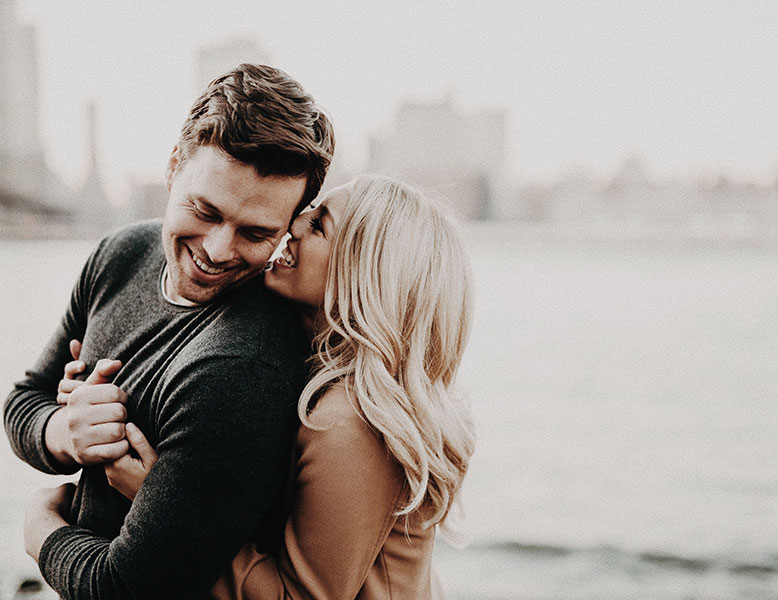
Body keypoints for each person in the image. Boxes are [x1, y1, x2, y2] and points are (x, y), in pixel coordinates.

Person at [53, 175, 476, 598]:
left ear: (363, 273)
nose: (293, 225)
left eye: (319, 225)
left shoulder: (351, 420)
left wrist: (163, 502)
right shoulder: (310, 368)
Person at [5, 63, 334, 599]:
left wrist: (41, 531)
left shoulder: (242, 368)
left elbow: (131, 588)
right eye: (204, 210)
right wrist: (66, 433)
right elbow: (25, 398)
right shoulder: (121, 255)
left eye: (256, 233)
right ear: (174, 167)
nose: (218, 250)